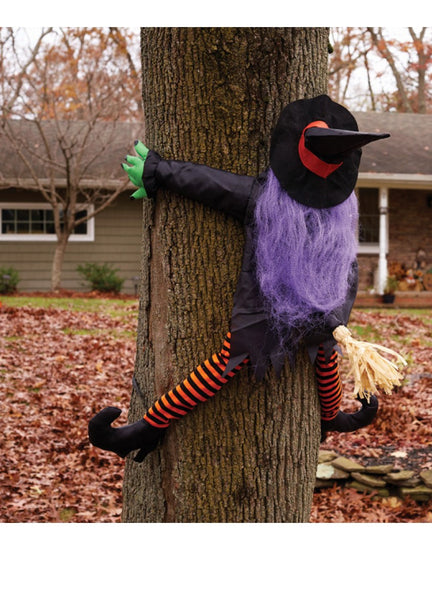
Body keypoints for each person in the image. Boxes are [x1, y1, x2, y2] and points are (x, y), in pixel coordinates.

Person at [88, 94, 390, 462]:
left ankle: (330, 416)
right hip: (273, 305)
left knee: (305, 351)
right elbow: (212, 185)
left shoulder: (279, 200)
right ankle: (148, 426)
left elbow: (214, 185)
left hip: (317, 309)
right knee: (245, 358)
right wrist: (159, 171)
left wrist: (158, 170)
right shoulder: (280, 202)